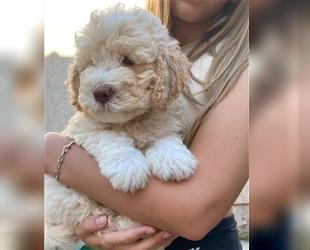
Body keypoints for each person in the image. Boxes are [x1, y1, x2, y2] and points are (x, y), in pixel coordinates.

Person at [45, 0, 249, 249]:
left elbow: (195, 214)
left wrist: (56, 151)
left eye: (128, 62)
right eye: (91, 64)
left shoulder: (246, 60)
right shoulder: (134, 28)